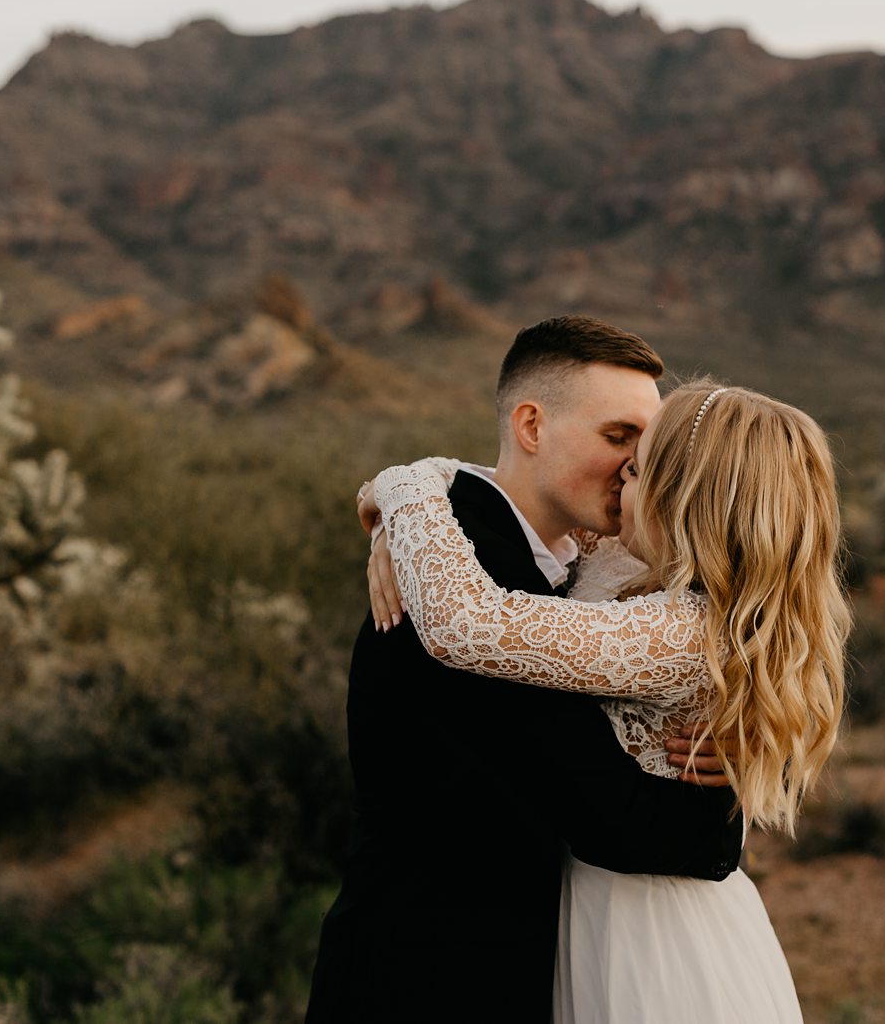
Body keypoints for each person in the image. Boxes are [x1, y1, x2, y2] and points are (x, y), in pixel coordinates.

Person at [362, 381, 852, 1023]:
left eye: (638, 469)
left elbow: (466, 623)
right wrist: (401, 526)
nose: (620, 484)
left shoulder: (684, 630)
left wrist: (401, 488)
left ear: (682, 501)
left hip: (649, 930)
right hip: (600, 902)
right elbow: (518, 499)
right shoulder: (634, 570)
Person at [304, 318, 745, 1024]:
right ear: (532, 426)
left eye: (650, 444)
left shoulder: (565, 562)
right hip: (425, 983)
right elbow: (624, 822)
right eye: (618, 437)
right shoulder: (461, 575)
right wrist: (722, 813)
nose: (640, 467)